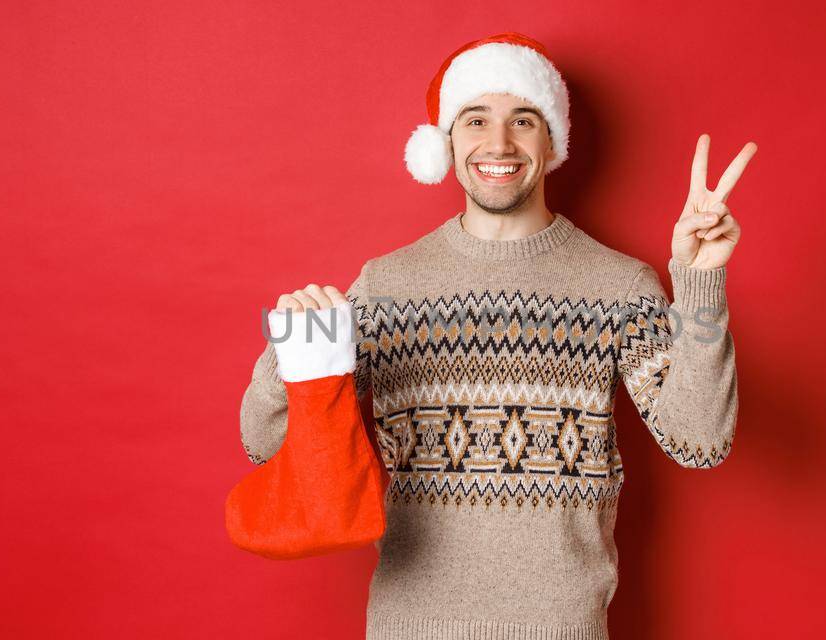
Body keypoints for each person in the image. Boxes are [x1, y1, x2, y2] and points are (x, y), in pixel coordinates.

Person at [240, 32, 754, 640]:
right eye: (476, 119)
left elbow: (700, 441)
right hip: (410, 627)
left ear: (551, 140)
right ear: (447, 142)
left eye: (523, 119)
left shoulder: (616, 285)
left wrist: (699, 284)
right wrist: (292, 351)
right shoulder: (388, 285)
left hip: (561, 628)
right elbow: (264, 443)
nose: (498, 143)